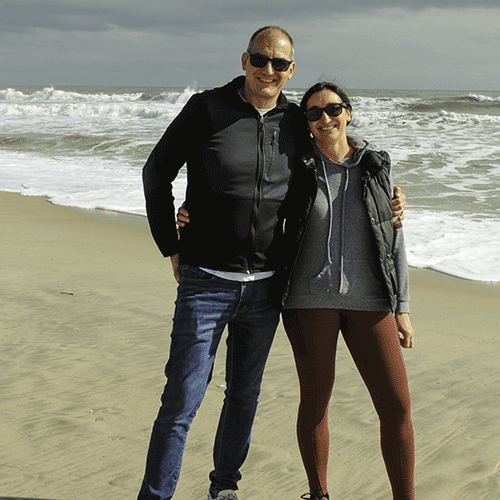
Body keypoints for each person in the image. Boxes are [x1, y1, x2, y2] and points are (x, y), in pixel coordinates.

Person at [139, 25, 407, 500]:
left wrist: (389, 196)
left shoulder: (295, 122)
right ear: (244, 60)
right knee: (181, 399)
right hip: (206, 281)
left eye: (279, 64)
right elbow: (157, 171)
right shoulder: (207, 108)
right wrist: (171, 242)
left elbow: (339, 154)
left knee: (243, 396)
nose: (268, 71)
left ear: (291, 70)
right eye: (260, 60)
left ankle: (224, 490)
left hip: (267, 286)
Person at [281, 82, 415, 499]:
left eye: (334, 109)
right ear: (306, 122)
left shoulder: (375, 166)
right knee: (316, 402)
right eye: (315, 113)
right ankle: (318, 494)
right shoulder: (294, 168)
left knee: (396, 407)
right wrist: (192, 217)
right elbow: (250, 205)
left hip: (371, 299)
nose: (326, 119)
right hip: (309, 300)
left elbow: (392, 237)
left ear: (349, 112)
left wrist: (403, 306)